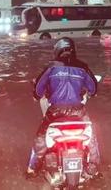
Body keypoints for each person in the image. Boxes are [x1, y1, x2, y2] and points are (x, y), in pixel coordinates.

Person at [26, 37, 100, 179]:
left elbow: (38, 90)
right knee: (91, 137)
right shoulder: (82, 67)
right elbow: (94, 89)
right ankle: (94, 169)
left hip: (56, 112)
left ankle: (32, 168)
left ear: (58, 51)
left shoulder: (51, 67)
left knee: (41, 137)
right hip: (78, 111)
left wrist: (36, 95)